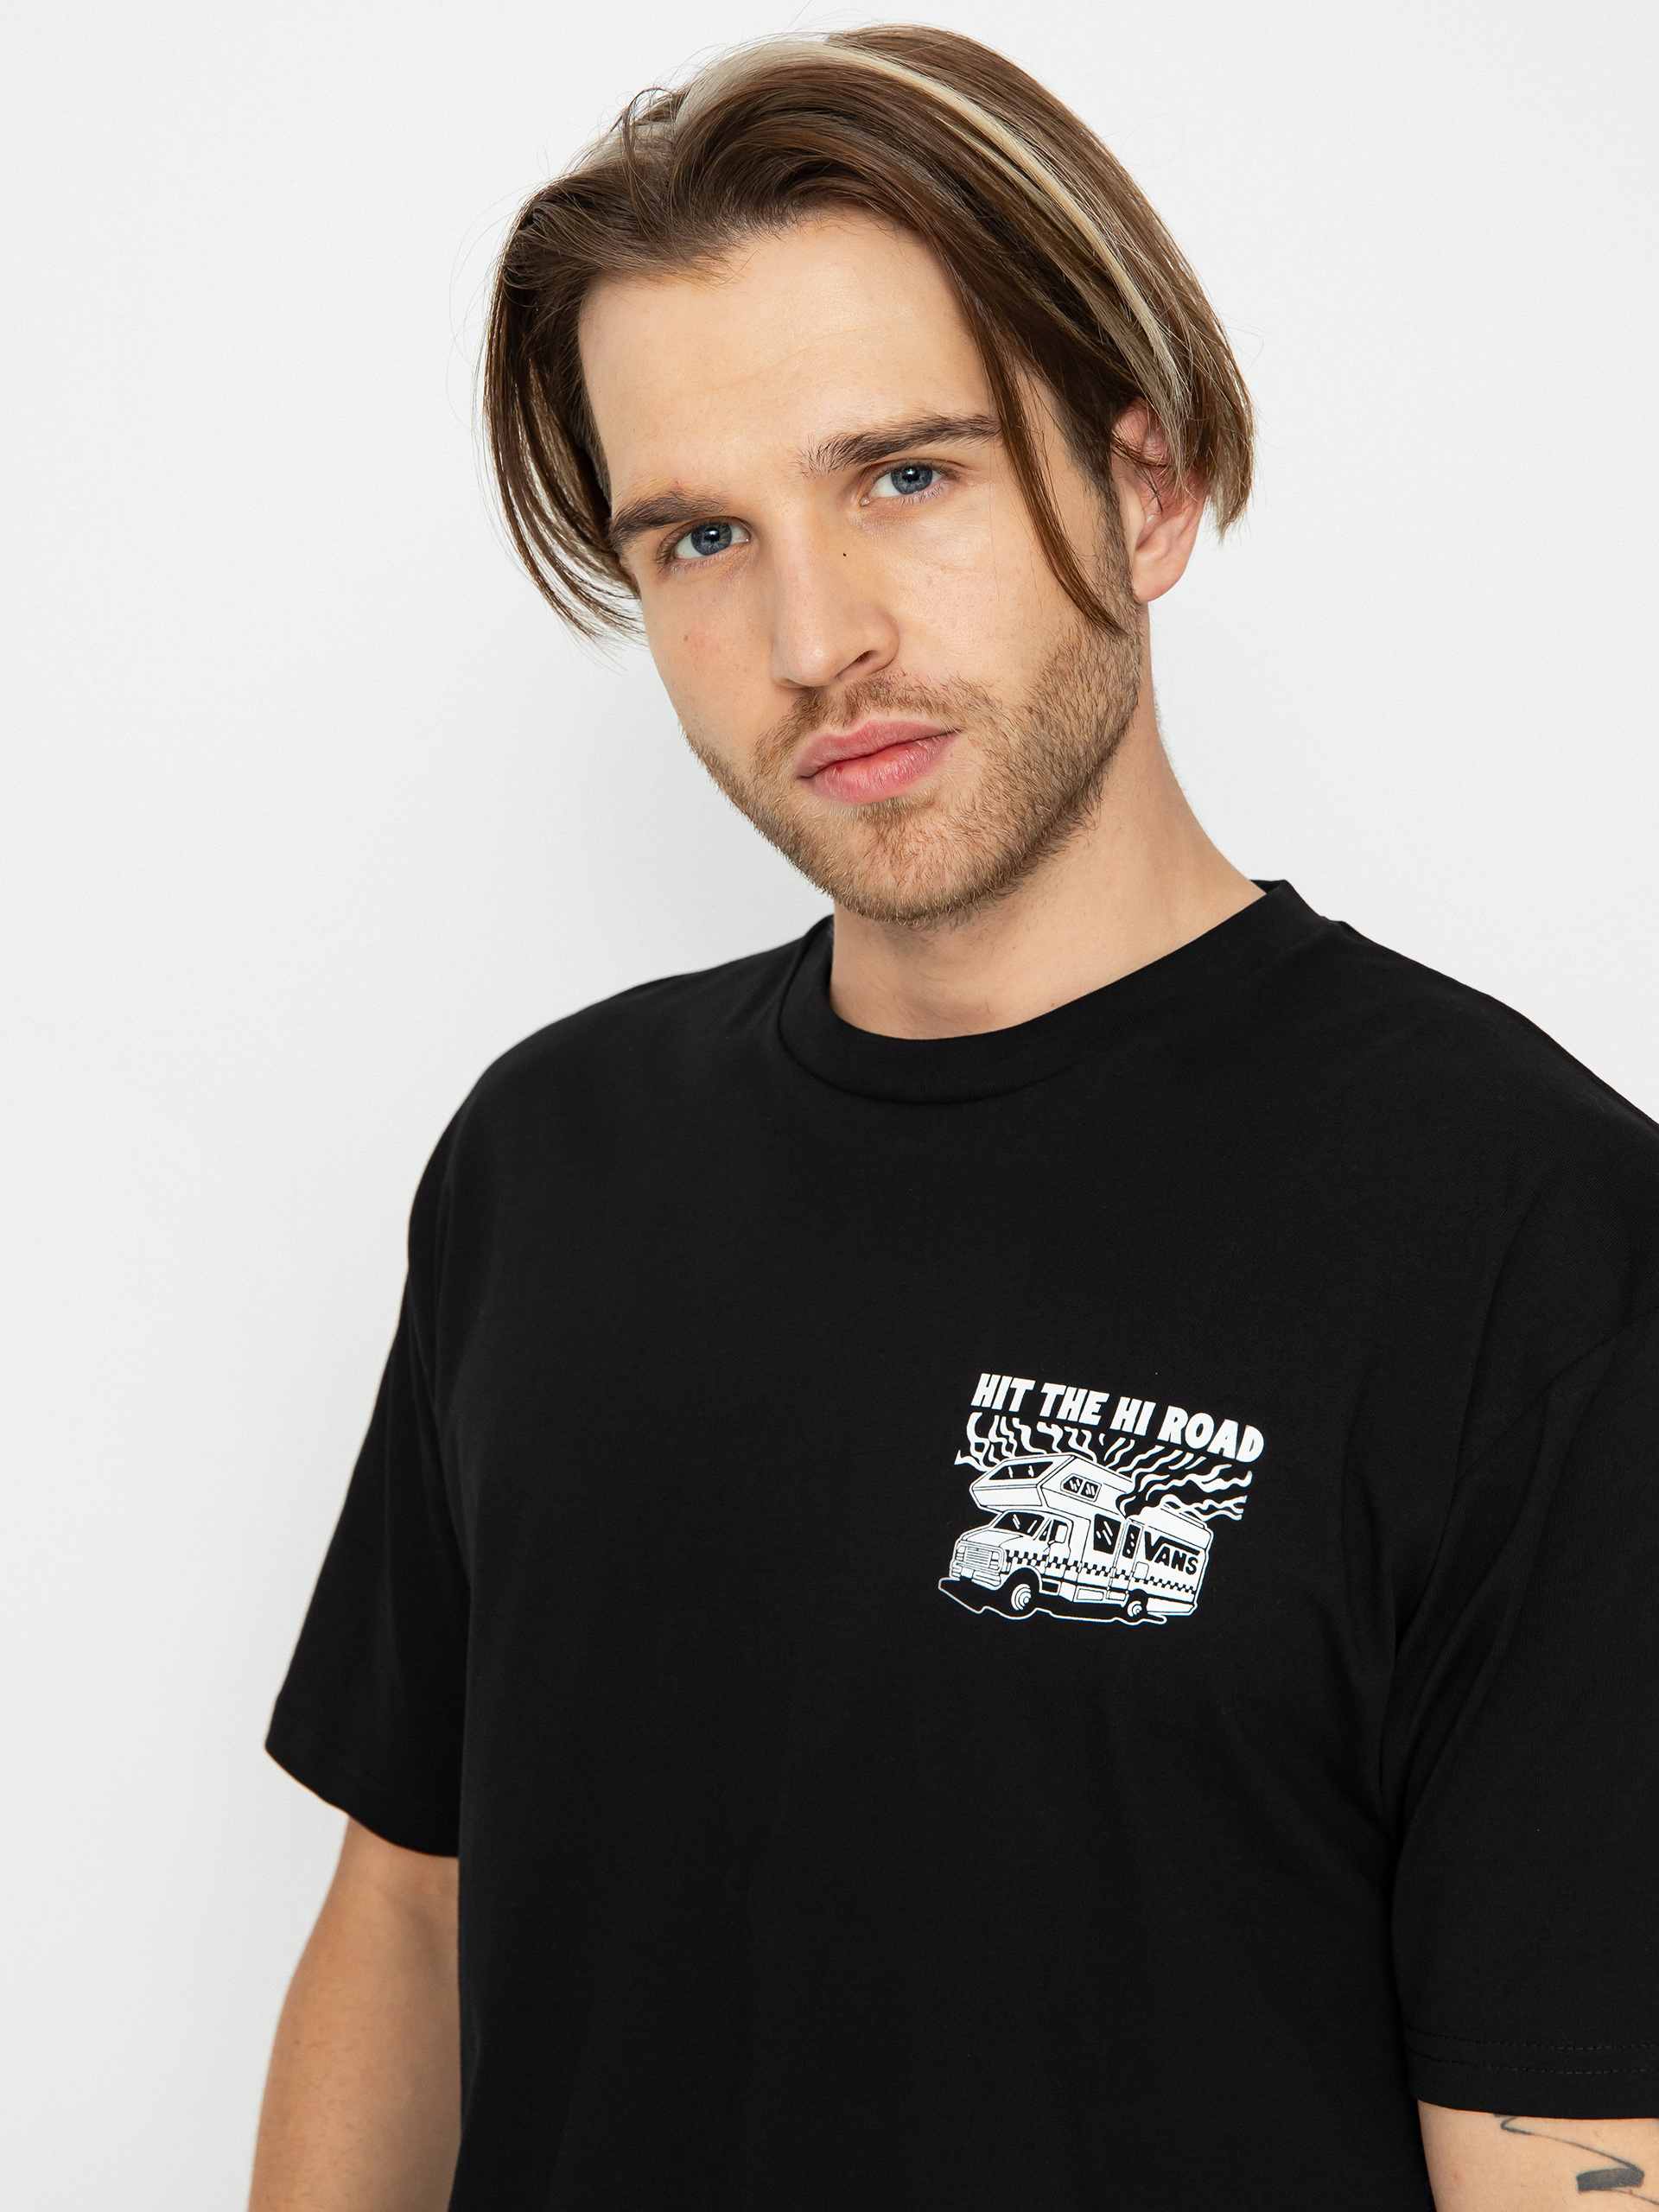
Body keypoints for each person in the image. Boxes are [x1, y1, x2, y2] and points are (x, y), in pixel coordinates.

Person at [250, 27, 1659, 2211]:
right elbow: (411, 1918)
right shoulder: (549, 1157)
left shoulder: (1534, 1234)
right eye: (702, 533)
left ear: (1148, 484)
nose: (815, 635)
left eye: (906, 474)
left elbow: (1572, 2144)